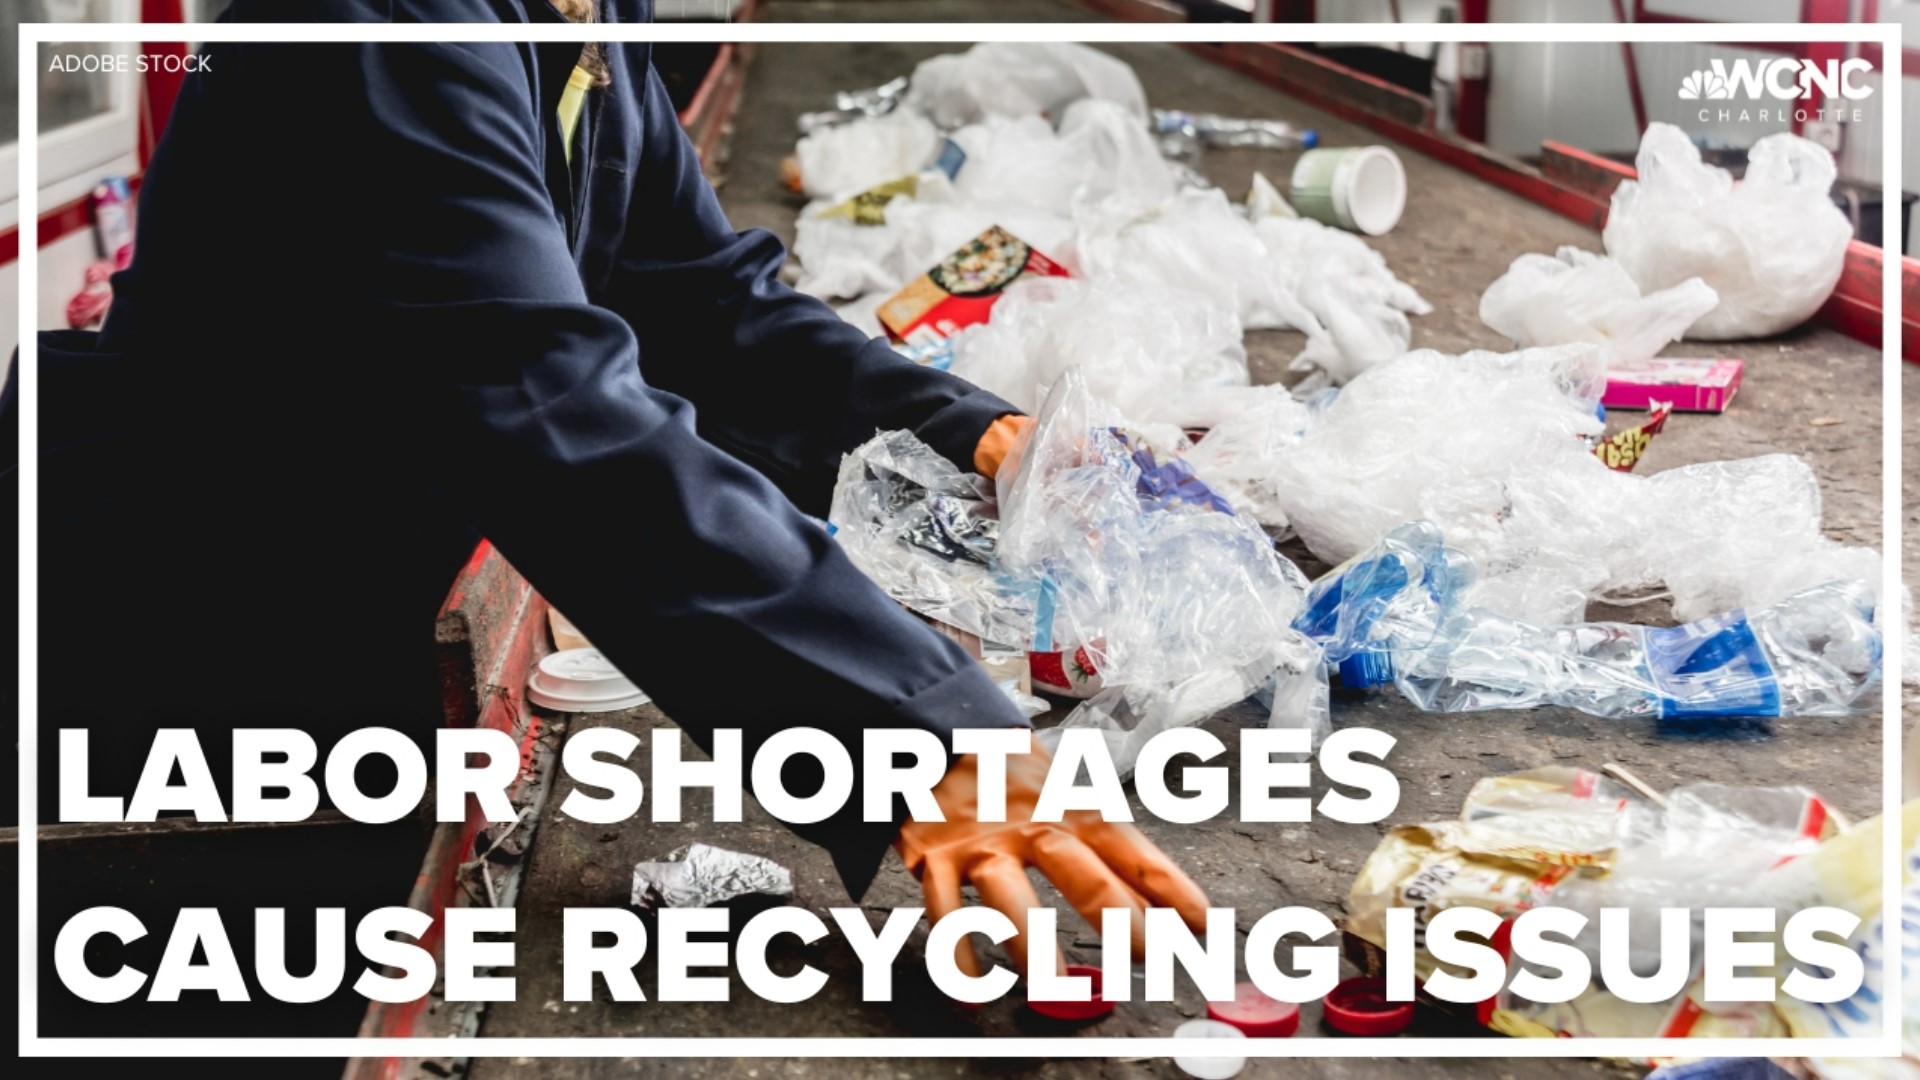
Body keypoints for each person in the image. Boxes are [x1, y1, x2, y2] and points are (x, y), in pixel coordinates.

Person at [22, 0, 1206, 987]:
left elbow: (698, 303)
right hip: (172, 636)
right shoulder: (386, 30)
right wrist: (913, 726)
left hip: (328, 590)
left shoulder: (574, 16)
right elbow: (553, 409)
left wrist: (976, 431)